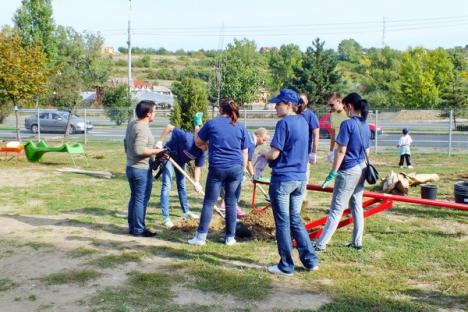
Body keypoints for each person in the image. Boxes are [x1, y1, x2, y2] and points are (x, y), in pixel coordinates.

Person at [264, 88, 319, 276]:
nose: (275, 107)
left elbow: (275, 153)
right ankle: (311, 261)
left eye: (278, 104)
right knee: (295, 219)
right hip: (300, 178)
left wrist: (262, 154)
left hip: (283, 179)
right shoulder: (304, 121)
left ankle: (286, 266)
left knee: (283, 222)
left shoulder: (283, 124)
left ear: (288, 105)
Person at [188, 97, 249, 246]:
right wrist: (243, 171)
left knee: (209, 202)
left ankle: (201, 237)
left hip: (218, 168)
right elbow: (245, 151)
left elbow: (198, 142)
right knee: (231, 202)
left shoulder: (212, 124)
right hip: (236, 168)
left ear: (221, 109)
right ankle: (230, 238)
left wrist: (197, 126)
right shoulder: (240, 126)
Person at [316, 92, 371, 252]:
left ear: (349, 106)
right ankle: (357, 242)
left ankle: (320, 244)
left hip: (348, 171)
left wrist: (333, 172)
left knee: (336, 209)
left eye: (346, 107)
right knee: (356, 206)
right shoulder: (364, 124)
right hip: (361, 168)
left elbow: (341, 151)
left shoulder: (348, 124)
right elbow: (367, 149)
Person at [124, 100, 165, 237]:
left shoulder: (132, 124)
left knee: (135, 198)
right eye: (154, 111)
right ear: (148, 113)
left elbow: (126, 143)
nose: (155, 114)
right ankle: (139, 229)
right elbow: (139, 150)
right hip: (140, 169)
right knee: (140, 199)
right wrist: (158, 151)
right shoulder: (142, 128)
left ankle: (133, 227)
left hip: (131, 167)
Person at [156, 122, 206, 229]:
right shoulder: (186, 138)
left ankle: (186, 212)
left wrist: (196, 182)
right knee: (167, 185)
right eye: (206, 146)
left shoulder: (202, 152)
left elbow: (198, 167)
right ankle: (166, 218)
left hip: (180, 162)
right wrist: (160, 141)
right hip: (168, 156)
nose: (207, 149)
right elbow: (169, 127)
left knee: (181, 186)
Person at [221, 127, 270, 216]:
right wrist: (253, 175)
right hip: (234, 166)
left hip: (229, 163)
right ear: (259, 135)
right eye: (263, 140)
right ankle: (231, 206)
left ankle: (224, 205)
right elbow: (248, 161)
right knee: (236, 187)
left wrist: (247, 170)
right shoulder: (251, 143)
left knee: (230, 186)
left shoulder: (249, 138)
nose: (264, 143)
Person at [326, 92, 348, 164]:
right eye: (329, 105)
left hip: (348, 150)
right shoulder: (333, 114)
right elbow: (333, 134)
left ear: (339, 101)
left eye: (332, 105)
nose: (330, 107)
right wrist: (331, 151)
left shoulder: (348, 113)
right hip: (337, 150)